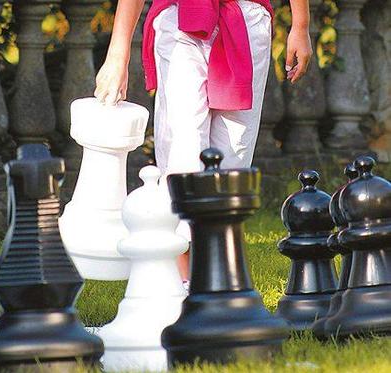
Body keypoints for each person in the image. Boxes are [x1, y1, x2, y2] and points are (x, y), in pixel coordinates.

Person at [94, 0, 312, 283]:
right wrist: (117, 54)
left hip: (246, 20)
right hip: (181, 18)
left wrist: (301, 25)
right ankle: (183, 288)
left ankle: (212, 286)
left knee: (232, 163)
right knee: (183, 155)